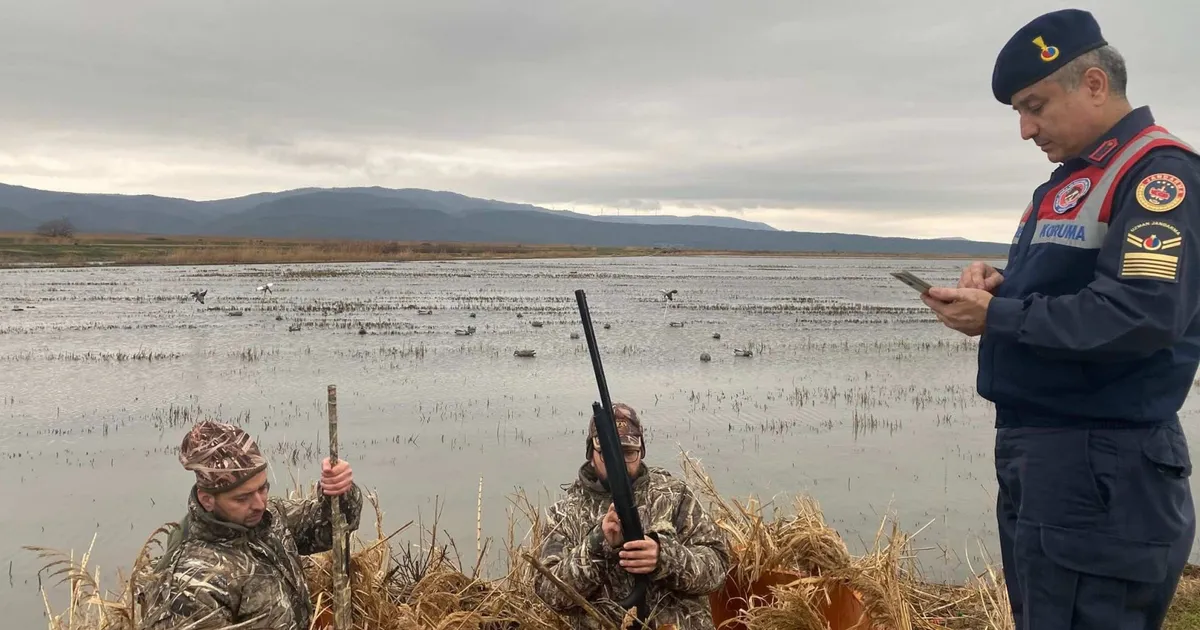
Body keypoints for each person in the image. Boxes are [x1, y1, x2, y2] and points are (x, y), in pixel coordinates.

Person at [921, 8, 1198, 630]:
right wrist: (1002, 286)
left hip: (1102, 464)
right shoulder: (1073, 180)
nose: (1025, 129)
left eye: (1035, 105)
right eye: (1019, 112)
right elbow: (1073, 288)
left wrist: (1001, 316)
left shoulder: (1158, 175)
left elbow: (1144, 312)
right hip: (1049, 456)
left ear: (1094, 84)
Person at [137, 420, 364, 630]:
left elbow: (331, 528)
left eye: (262, 488)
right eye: (241, 498)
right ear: (207, 499)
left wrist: (338, 490)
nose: (259, 504)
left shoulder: (270, 517)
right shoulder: (191, 584)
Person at [532, 403, 730, 629]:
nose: (620, 463)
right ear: (590, 453)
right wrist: (597, 545)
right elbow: (550, 595)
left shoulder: (675, 496)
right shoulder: (564, 513)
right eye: (608, 453)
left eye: (628, 453)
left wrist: (664, 557)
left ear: (641, 451)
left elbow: (718, 569)